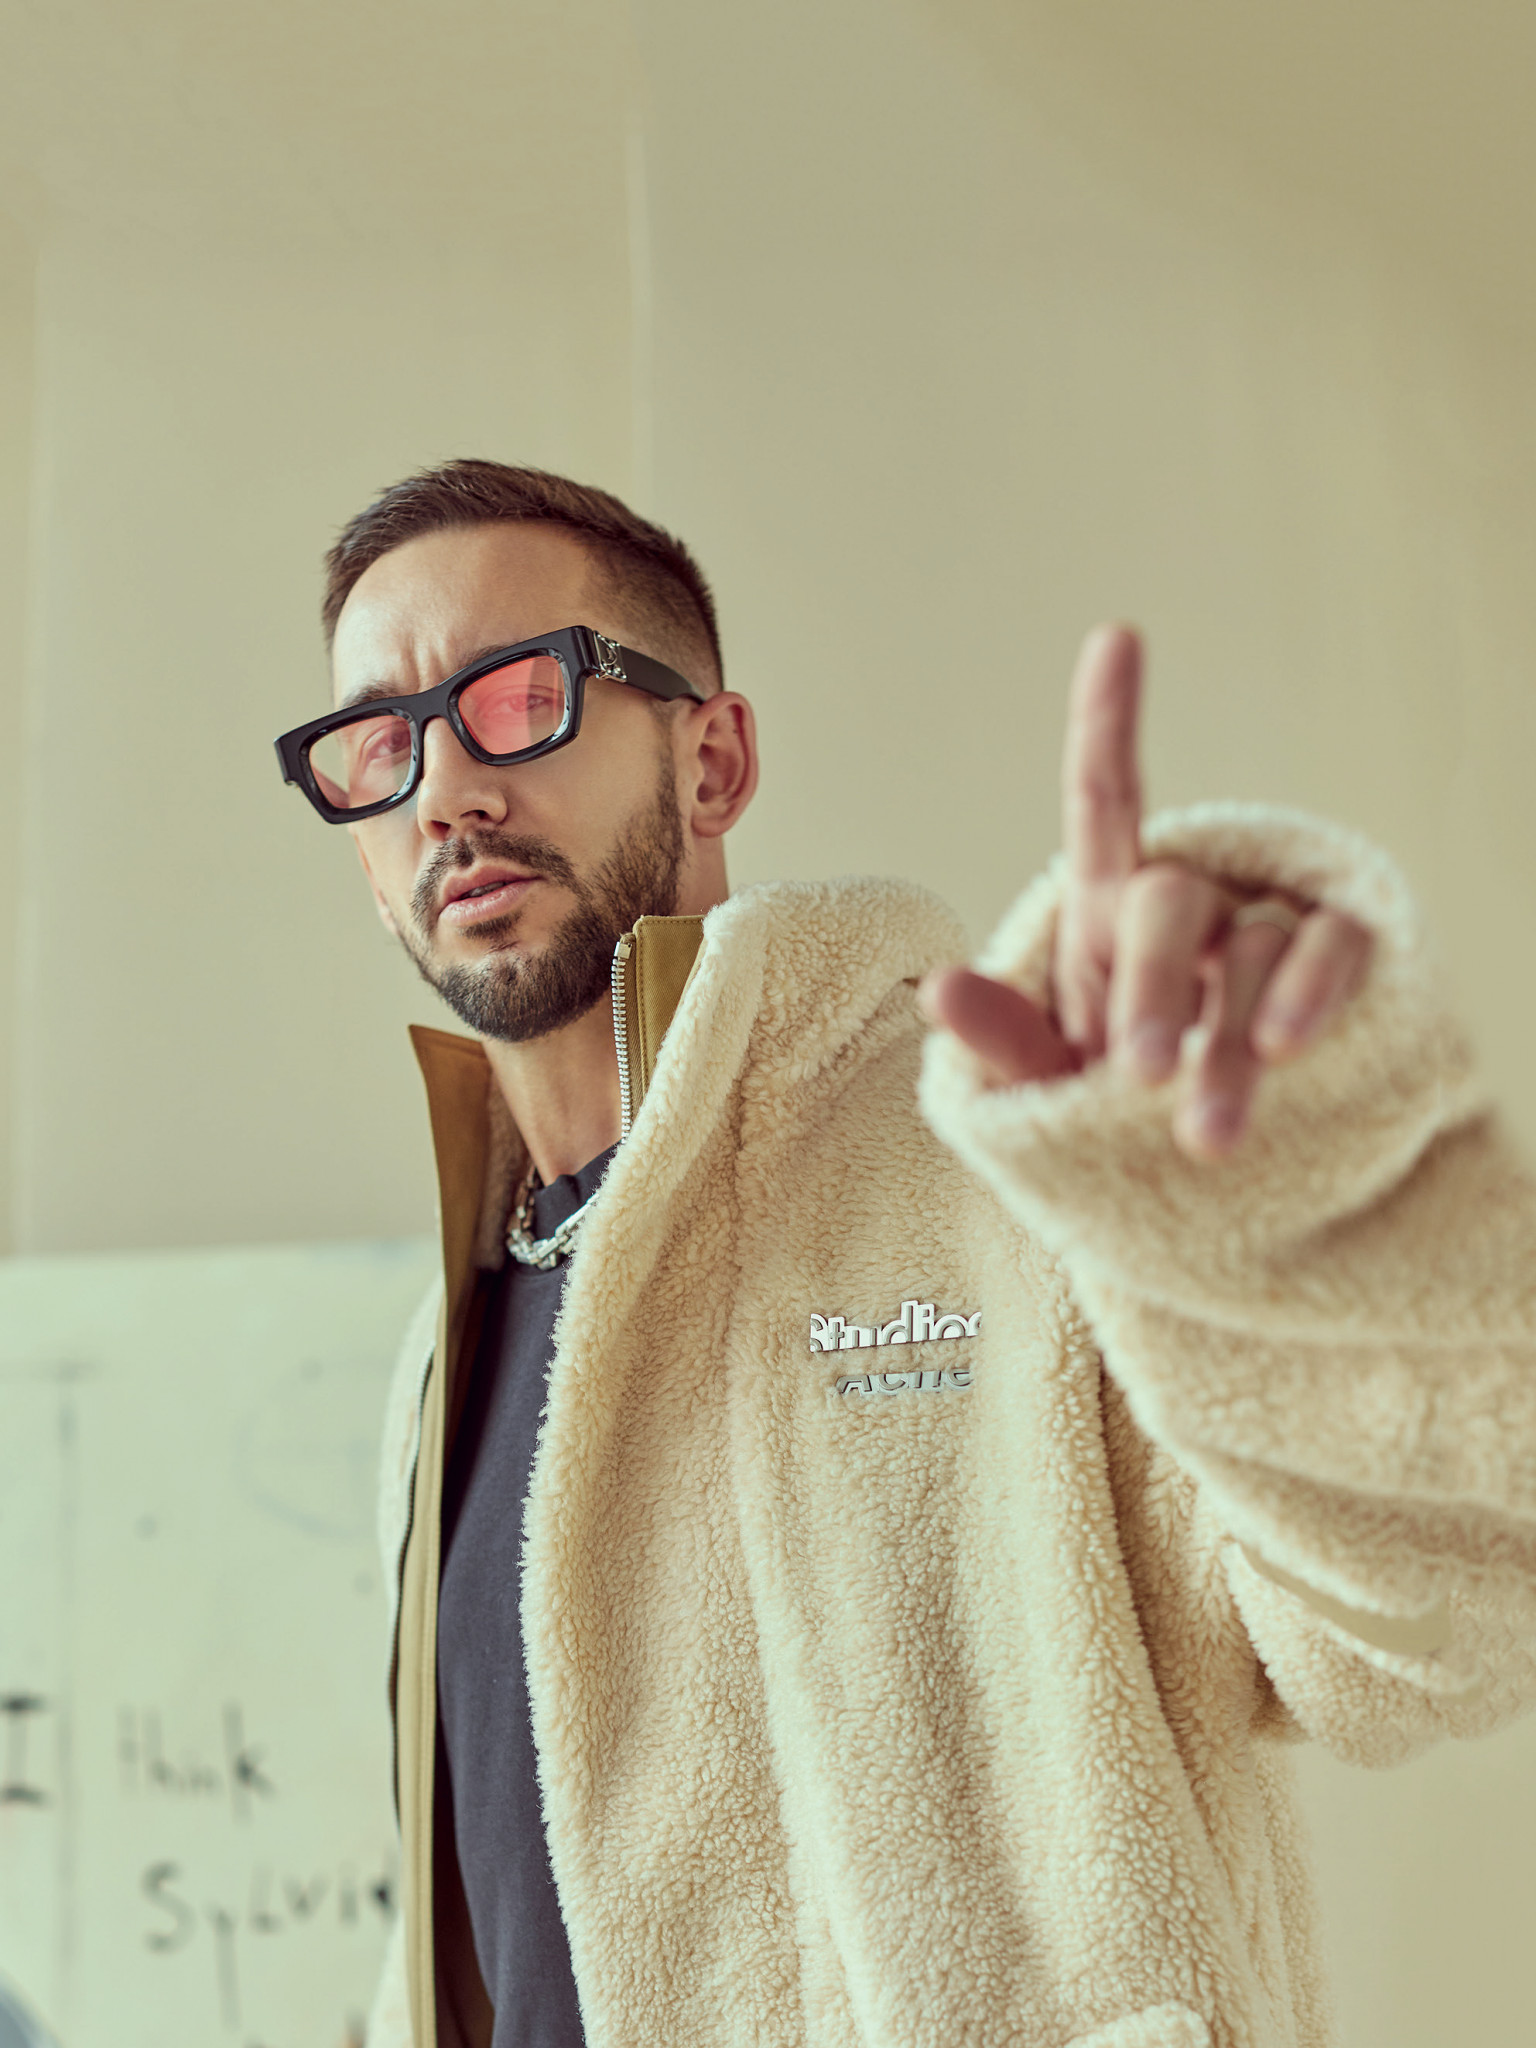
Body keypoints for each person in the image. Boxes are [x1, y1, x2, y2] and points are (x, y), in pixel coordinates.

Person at [274, 460, 1536, 2048]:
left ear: (713, 759)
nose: (447, 791)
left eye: (520, 698)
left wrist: (1280, 1197)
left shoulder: (1005, 1172)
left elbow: (1436, 1638)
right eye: (382, 744)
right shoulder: (446, 1341)